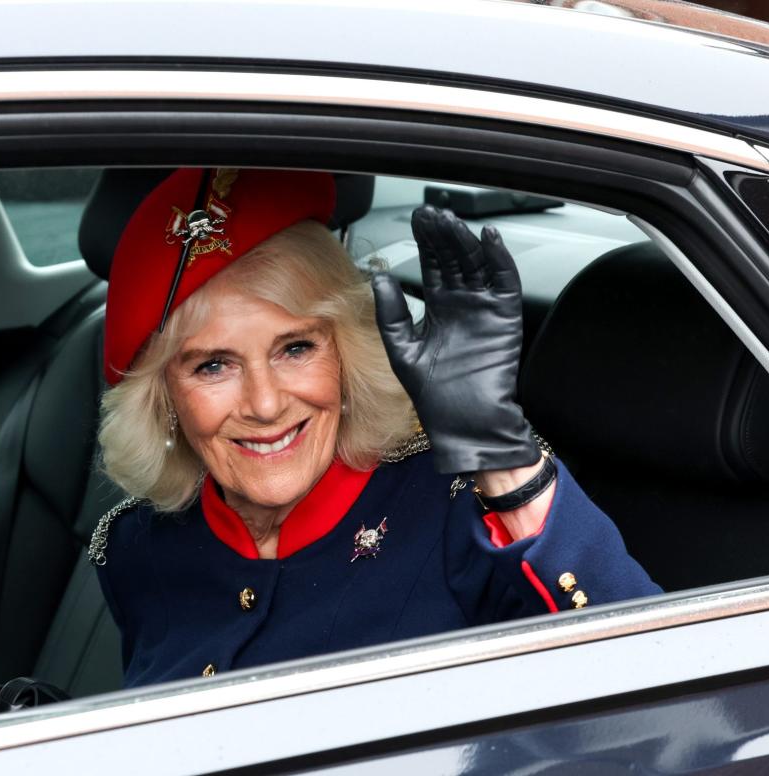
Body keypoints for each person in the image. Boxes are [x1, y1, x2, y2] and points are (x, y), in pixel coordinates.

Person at [90, 167, 659, 687]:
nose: (264, 405)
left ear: (347, 354)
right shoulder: (138, 548)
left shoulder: (458, 512)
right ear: (163, 397)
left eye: (295, 348)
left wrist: (498, 449)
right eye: (213, 365)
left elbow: (658, 681)